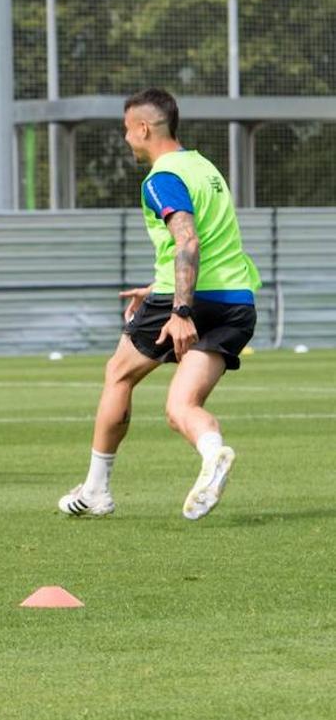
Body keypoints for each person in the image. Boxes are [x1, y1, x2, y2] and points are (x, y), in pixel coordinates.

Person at [57, 88, 259, 520]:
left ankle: (96, 490)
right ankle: (212, 453)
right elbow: (211, 243)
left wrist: (180, 310)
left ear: (143, 128)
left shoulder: (161, 177)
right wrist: (155, 286)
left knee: (118, 374)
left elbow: (187, 239)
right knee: (180, 408)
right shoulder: (205, 169)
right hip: (236, 303)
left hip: (188, 301)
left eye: (127, 130)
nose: (127, 138)